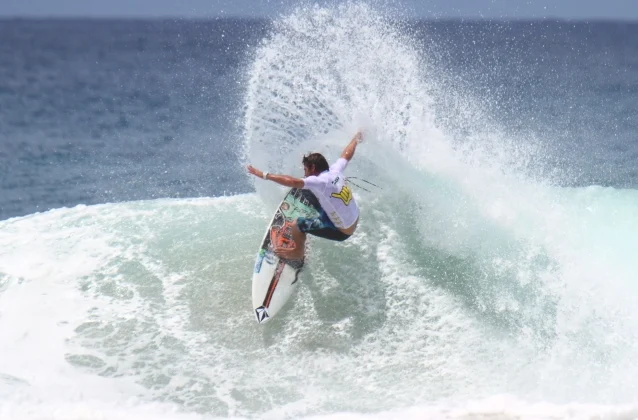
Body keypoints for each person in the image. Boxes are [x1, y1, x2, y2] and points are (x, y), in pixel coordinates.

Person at [247, 131, 362, 260]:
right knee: (307, 190)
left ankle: (297, 252)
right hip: (354, 216)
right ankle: (315, 224)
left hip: (342, 231)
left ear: (313, 167)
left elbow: (292, 182)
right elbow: (346, 154)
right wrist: (356, 139)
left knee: (297, 224)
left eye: (306, 169)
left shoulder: (319, 182)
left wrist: (263, 174)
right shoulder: (335, 170)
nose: (305, 172)